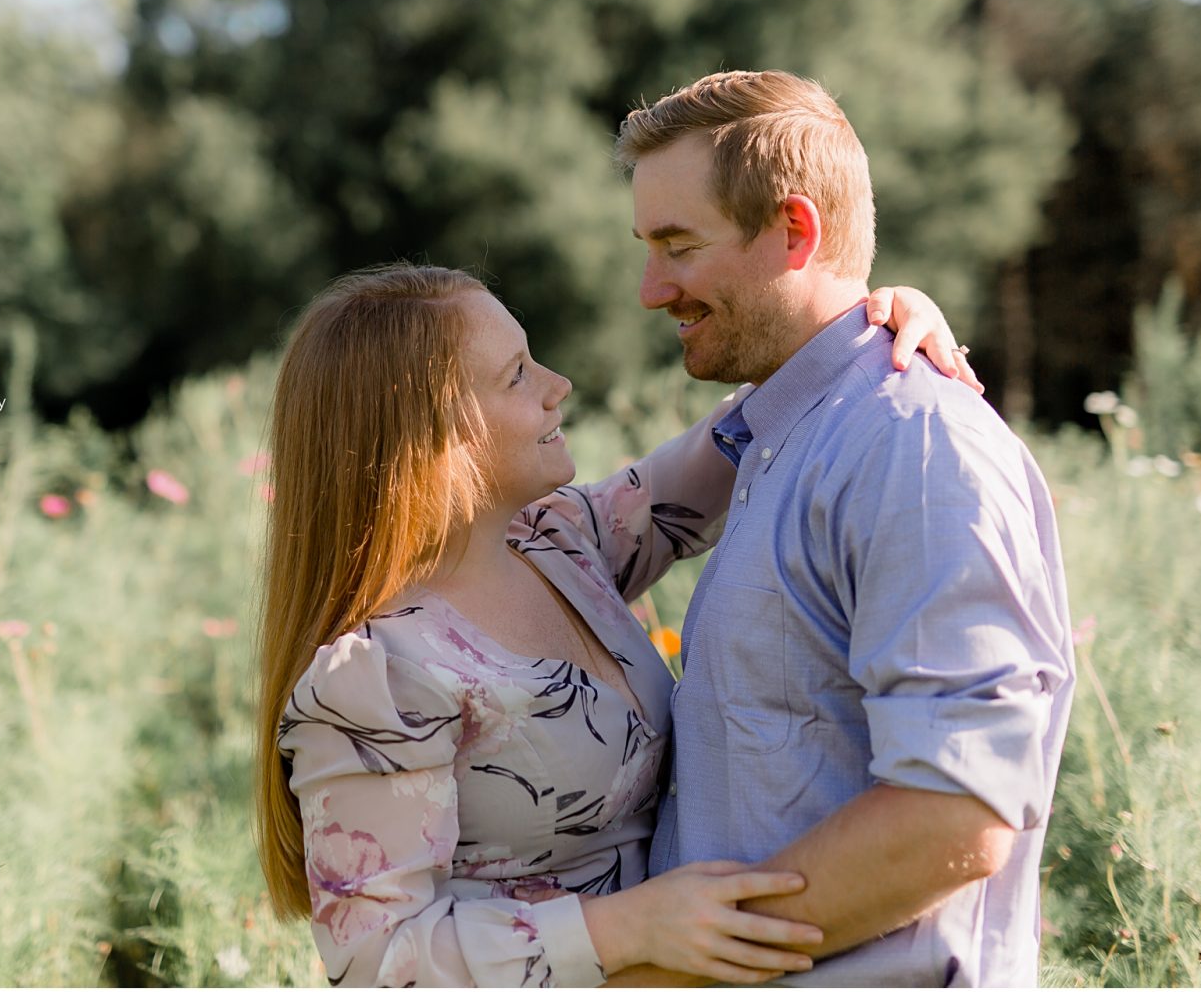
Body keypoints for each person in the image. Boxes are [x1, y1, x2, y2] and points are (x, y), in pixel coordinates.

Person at [254, 263, 980, 988]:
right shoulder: (377, 675)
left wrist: (865, 330)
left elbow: (731, 445)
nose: (556, 384)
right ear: (430, 434)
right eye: (516, 375)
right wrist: (628, 926)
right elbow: (377, 959)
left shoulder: (561, 542)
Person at [611, 70, 1075, 987]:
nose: (650, 288)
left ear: (795, 230)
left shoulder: (913, 442)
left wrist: (664, 975)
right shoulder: (777, 436)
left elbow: (957, 810)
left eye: (677, 245)